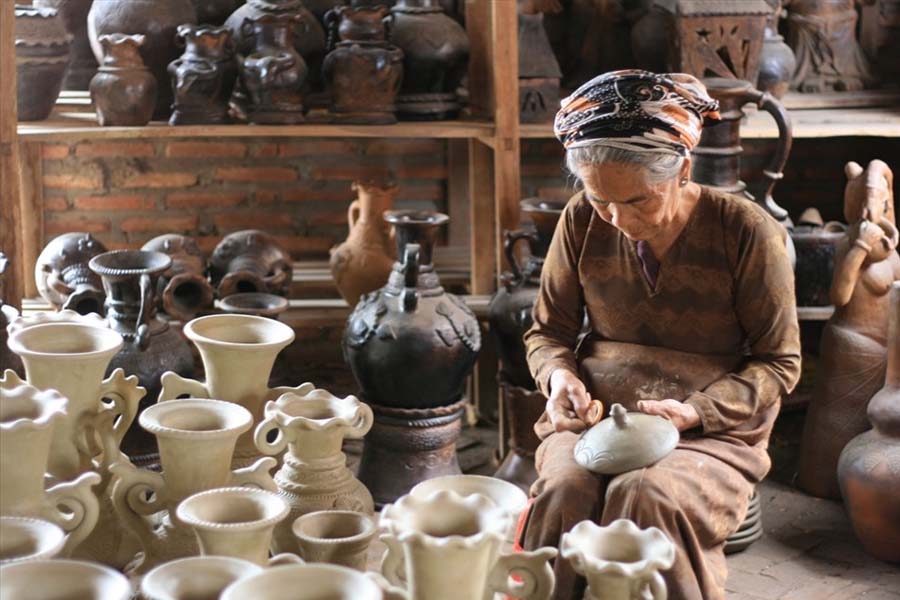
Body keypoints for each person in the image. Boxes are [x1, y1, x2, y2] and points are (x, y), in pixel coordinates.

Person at [520, 70, 801, 600]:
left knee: (644, 494)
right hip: (599, 415)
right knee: (565, 490)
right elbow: (547, 332)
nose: (619, 220)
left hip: (712, 427)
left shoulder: (746, 231)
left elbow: (778, 362)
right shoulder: (581, 219)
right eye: (603, 200)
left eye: (639, 201)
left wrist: (696, 411)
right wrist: (558, 379)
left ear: (683, 171)